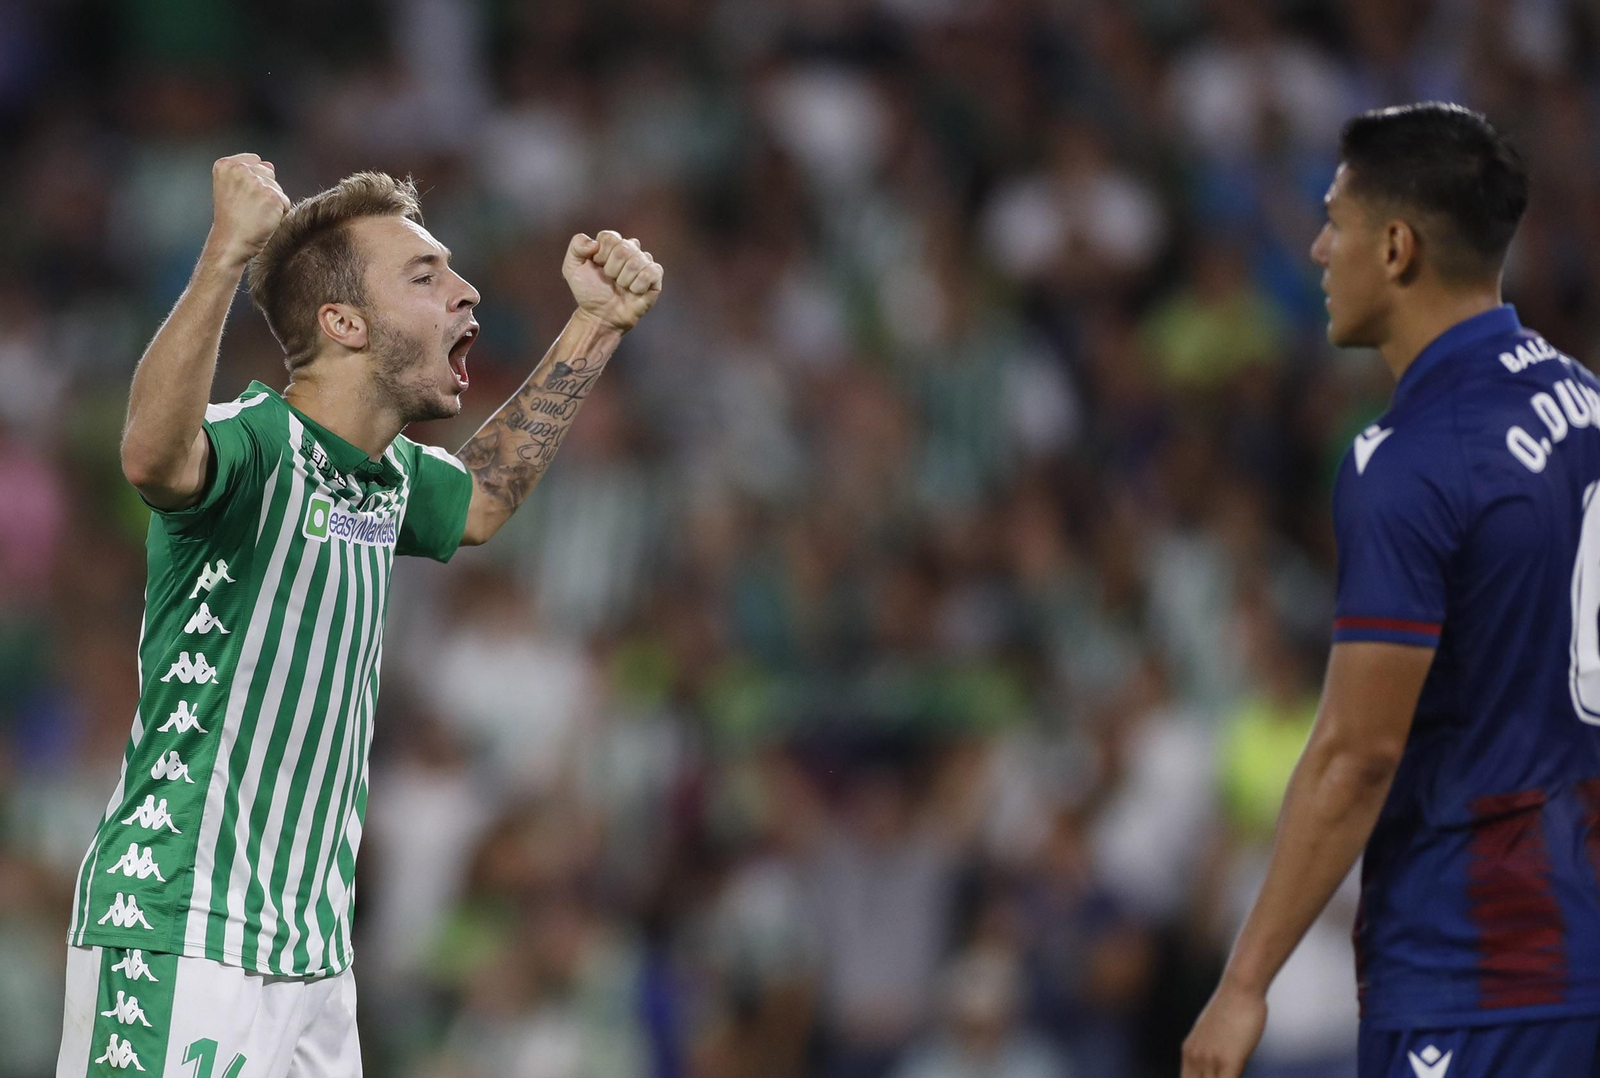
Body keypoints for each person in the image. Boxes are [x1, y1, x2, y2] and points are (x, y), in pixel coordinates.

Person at [54, 153, 663, 1076]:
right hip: (180, 921)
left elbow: (485, 499)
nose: (466, 293)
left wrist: (596, 324)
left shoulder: (382, 480)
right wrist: (227, 252)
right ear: (343, 322)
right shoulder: (254, 446)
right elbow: (151, 456)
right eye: (426, 275)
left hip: (311, 956)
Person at [1183, 102, 1600, 1078]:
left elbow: (1355, 755)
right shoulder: (1585, 401)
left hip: (1478, 970)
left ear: (1398, 245)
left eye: (1335, 219)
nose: (1320, 248)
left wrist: (1243, 983)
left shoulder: (1408, 460)